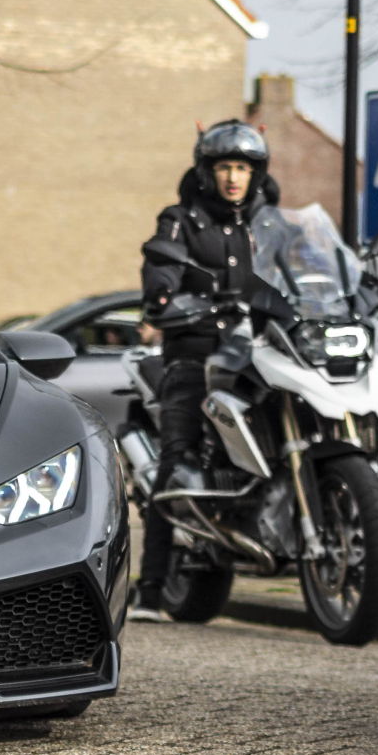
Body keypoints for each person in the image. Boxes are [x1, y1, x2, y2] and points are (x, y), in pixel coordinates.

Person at [130, 120, 274, 619]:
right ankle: (150, 591)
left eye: (242, 167)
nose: (234, 177)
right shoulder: (181, 219)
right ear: (207, 171)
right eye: (224, 167)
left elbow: (302, 266)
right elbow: (161, 266)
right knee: (178, 456)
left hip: (258, 353)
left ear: (256, 173)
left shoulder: (271, 221)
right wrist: (164, 294)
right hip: (195, 349)